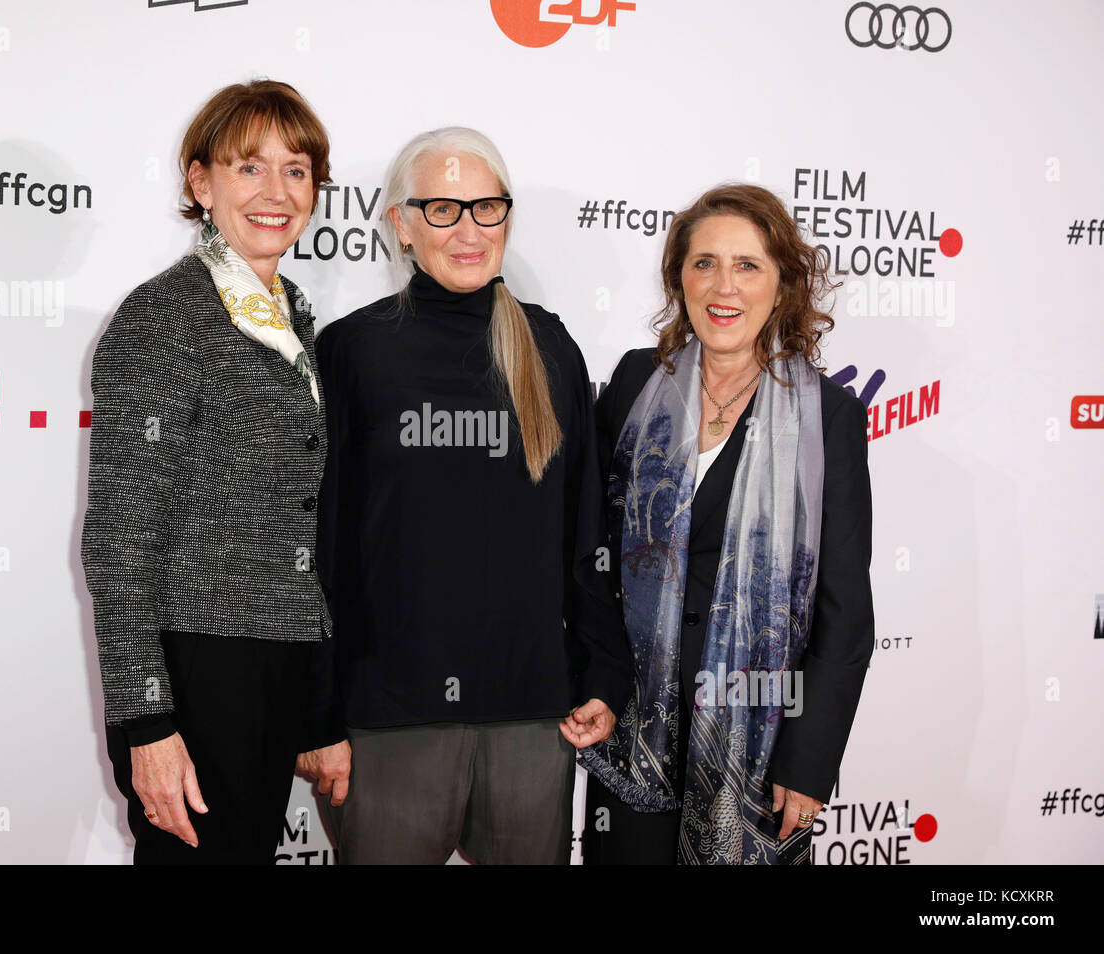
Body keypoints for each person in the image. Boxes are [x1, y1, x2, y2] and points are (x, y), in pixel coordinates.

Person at [297, 127, 634, 864]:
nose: (469, 230)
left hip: (534, 715)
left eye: (487, 208)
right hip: (388, 717)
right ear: (402, 226)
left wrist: (605, 672)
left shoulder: (549, 346)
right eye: (443, 210)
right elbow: (316, 548)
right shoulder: (352, 351)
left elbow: (585, 532)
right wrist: (318, 714)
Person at [579, 183, 874, 865]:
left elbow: (845, 610)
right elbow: (591, 552)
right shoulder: (633, 384)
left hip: (760, 740)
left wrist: (808, 761)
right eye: (704, 262)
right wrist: (595, 681)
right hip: (634, 728)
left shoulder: (826, 419)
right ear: (679, 276)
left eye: (748, 265)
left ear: (784, 285)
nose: (723, 286)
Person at [81, 80, 332, 864]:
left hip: (274, 663)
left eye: (296, 170)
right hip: (197, 669)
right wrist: (149, 723)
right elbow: (119, 541)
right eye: (249, 168)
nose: (277, 192)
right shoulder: (167, 314)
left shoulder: (286, 310)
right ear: (201, 183)